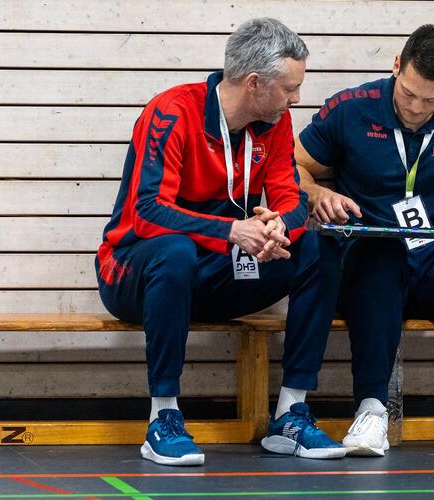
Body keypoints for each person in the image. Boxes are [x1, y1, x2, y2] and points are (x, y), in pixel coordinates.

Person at [96, 18, 344, 466]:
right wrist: (232, 230)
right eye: (290, 87)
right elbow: (148, 210)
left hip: (219, 272)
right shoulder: (171, 112)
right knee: (174, 252)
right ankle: (163, 419)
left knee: (319, 246)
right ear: (254, 82)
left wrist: (277, 227)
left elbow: (290, 198)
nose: (296, 99)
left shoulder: (276, 123)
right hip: (136, 272)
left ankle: (291, 414)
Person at [295, 24, 434, 456]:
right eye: (408, 93)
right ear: (396, 66)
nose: (416, 108)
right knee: (379, 255)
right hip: (369, 268)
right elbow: (292, 168)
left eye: (431, 99)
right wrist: (317, 194)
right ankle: (372, 409)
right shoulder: (349, 108)